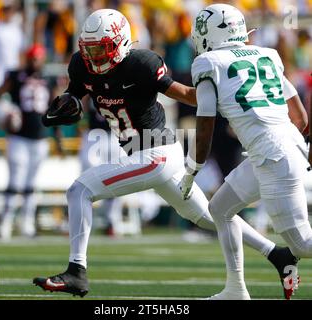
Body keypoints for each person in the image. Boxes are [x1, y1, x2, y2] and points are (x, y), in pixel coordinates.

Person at [33, 8, 296, 298]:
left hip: (156, 153)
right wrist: (67, 103)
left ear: (121, 44)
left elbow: (184, 94)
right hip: (141, 153)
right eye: (90, 51)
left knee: (79, 190)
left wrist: (226, 95)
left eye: (101, 50)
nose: (94, 58)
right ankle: (276, 254)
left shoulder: (141, 64)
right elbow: (75, 92)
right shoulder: (81, 65)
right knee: (209, 217)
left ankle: (76, 272)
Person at [181, 3, 311, 300]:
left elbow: (205, 126)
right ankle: (235, 290)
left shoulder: (208, 63)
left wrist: (191, 170)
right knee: (220, 209)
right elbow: (300, 117)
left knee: (303, 244)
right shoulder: (267, 54)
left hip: (272, 155)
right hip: (282, 147)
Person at [0, 44, 53, 239]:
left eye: (38, 58)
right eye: (32, 58)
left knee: (31, 183)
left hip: (40, 138)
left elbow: (55, 106)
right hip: (19, 138)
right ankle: (5, 222)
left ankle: (27, 224)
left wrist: (56, 133)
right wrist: (2, 116)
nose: (35, 61)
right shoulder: (16, 76)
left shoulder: (48, 79)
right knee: (15, 180)